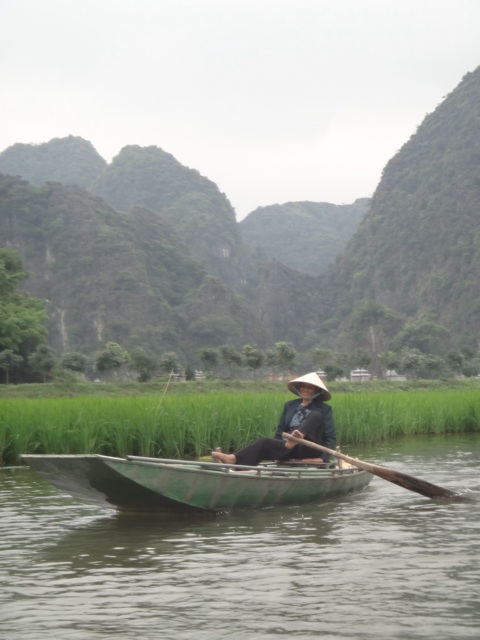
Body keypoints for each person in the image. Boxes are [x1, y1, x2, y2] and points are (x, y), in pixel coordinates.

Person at [211, 372, 336, 466]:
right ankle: (234, 459)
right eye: (303, 386)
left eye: (309, 387)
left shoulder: (323, 409)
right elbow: (280, 430)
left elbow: (330, 437)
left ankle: (298, 437)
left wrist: (323, 458)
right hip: (289, 446)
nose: (305, 389)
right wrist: (278, 451)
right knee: (265, 441)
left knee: (315, 415)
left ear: (317, 391)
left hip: (309, 447)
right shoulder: (290, 405)